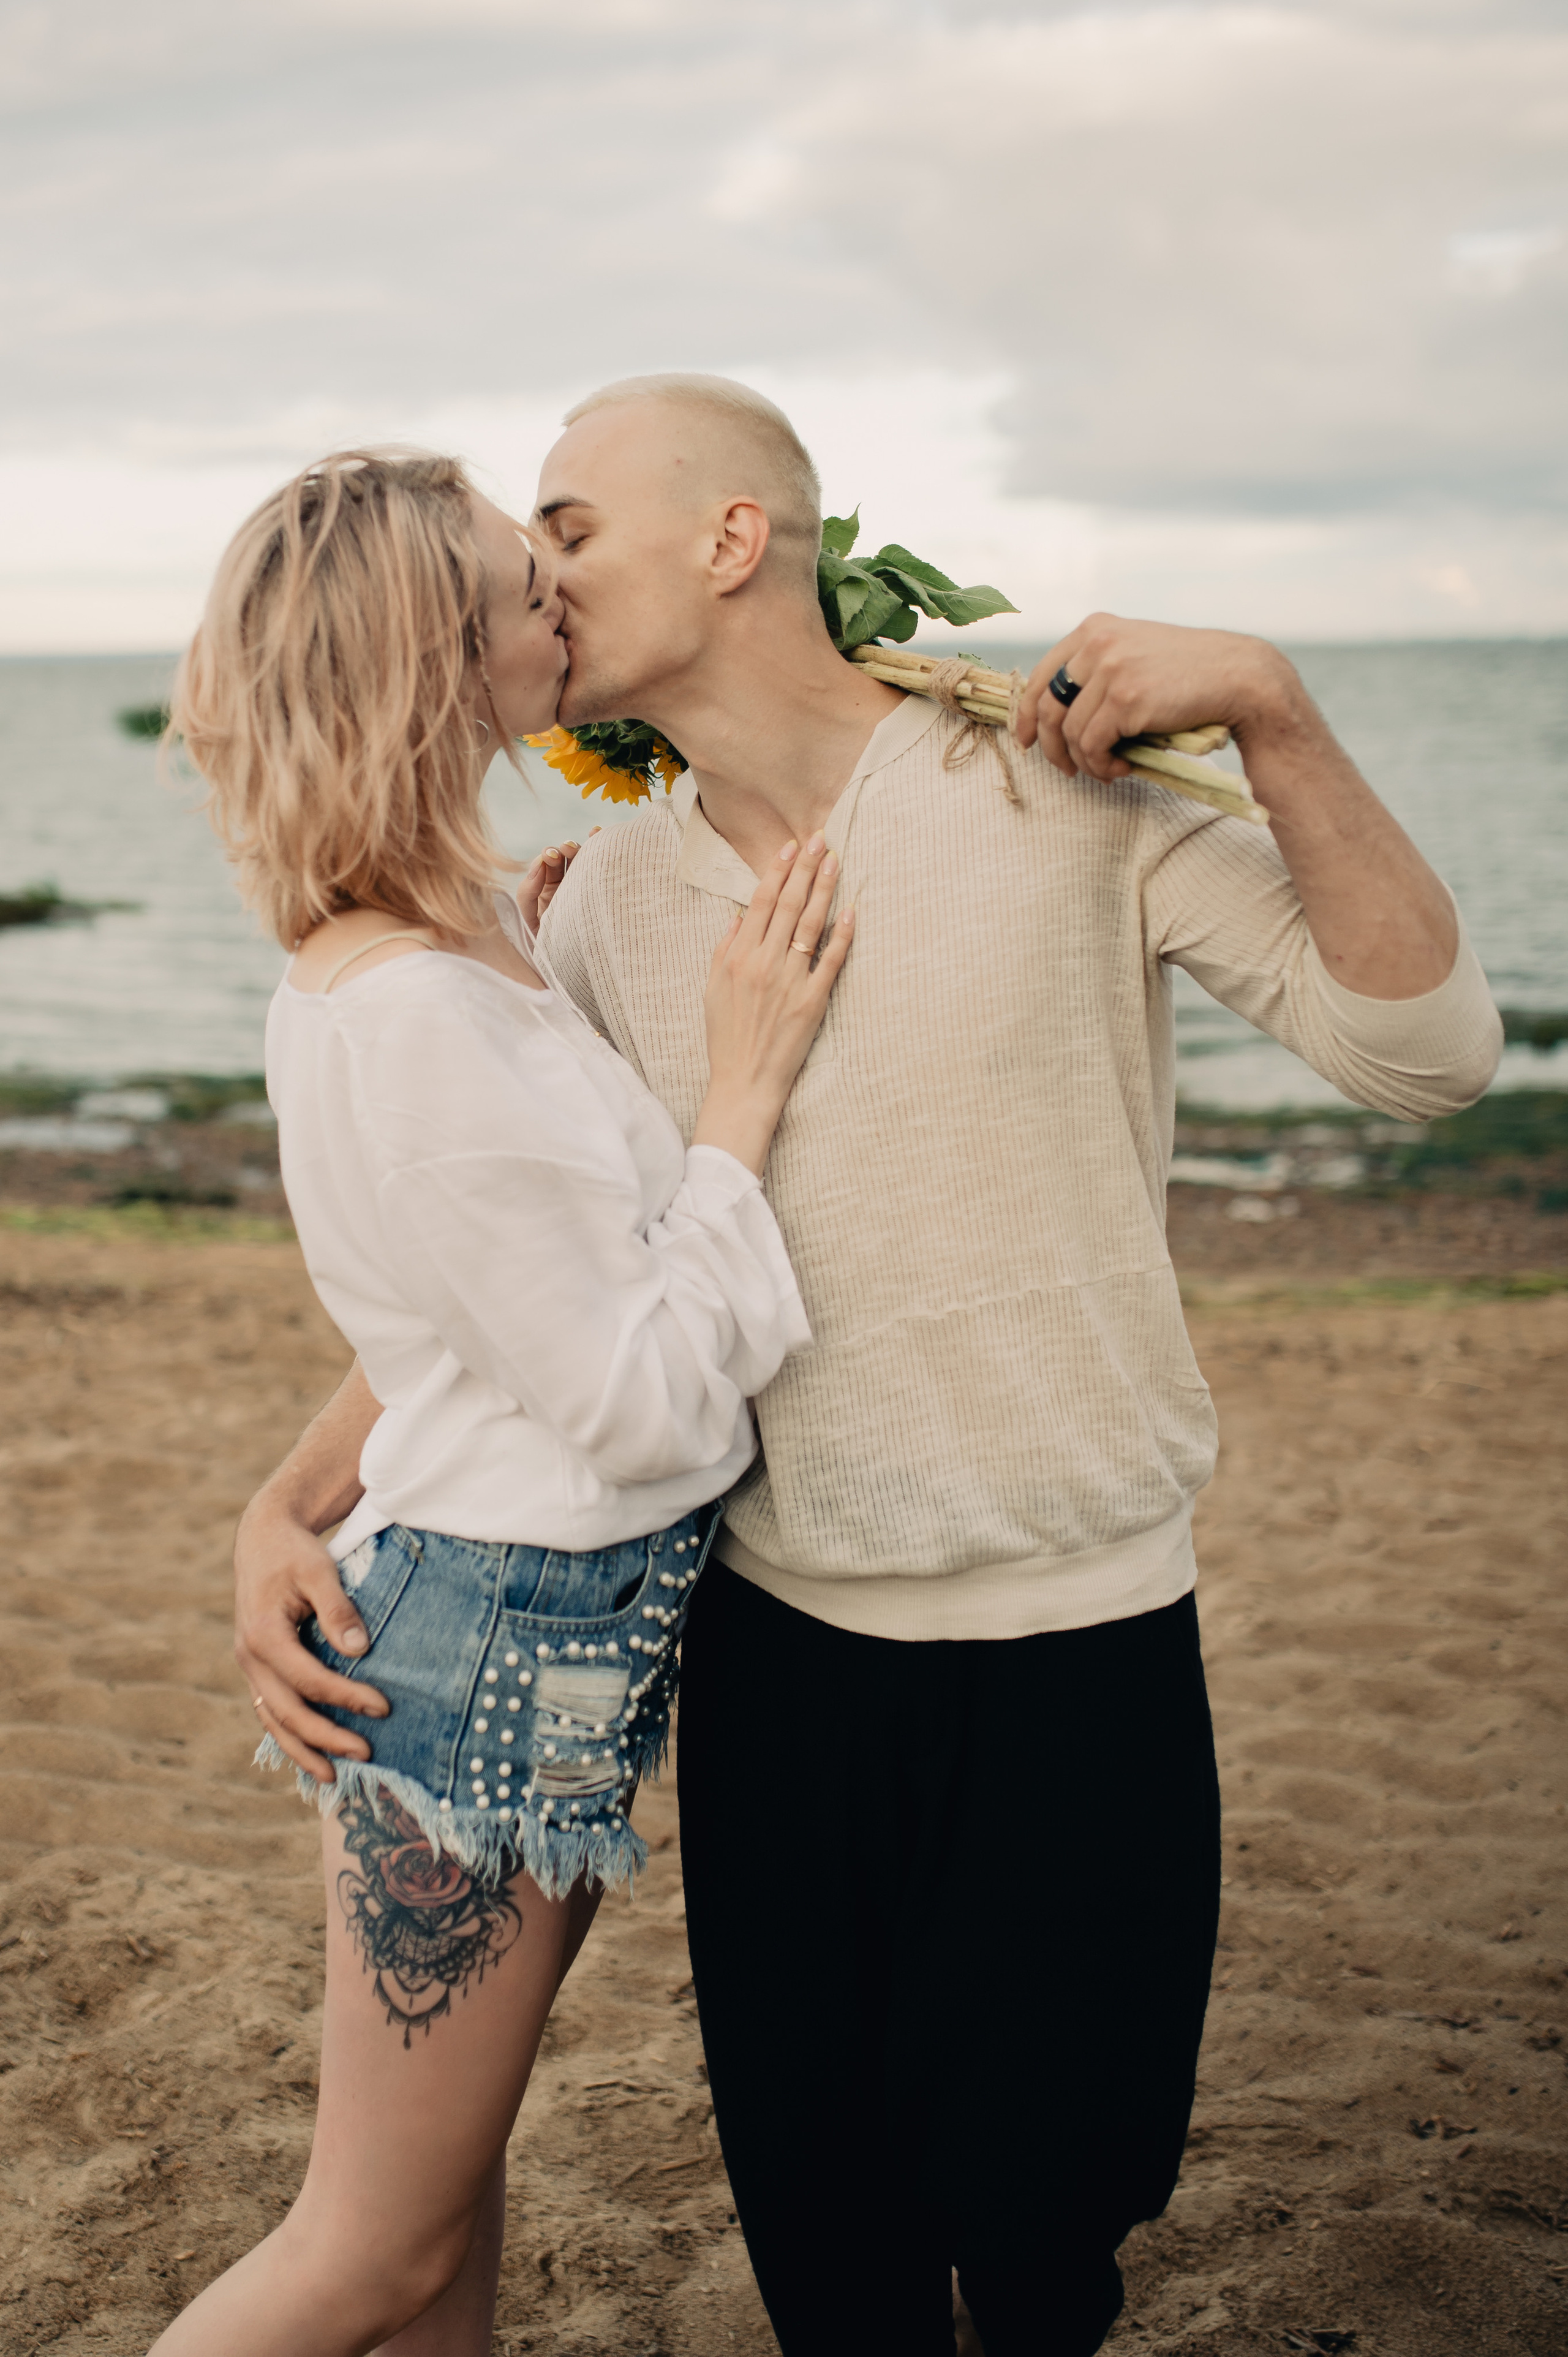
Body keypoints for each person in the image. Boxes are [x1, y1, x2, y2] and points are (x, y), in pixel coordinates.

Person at [235, 379, 1502, 2357]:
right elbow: (530, 1289)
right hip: (765, 1661)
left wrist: (1272, 704)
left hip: (1077, 1652)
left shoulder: (1047, 787)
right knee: (834, 2273)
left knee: (1048, 2256)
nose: (538, 580)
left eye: (567, 528)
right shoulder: (603, 896)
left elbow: (1428, 1058)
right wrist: (292, 1499)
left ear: (735, 540)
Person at [150, 447, 853, 2357]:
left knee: (444, 2219)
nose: (557, 599)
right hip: (494, 1647)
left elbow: (450, 1333)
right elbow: (634, 1402)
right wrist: (738, 1092)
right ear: (429, 659)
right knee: (366, 2249)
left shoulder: (450, 948)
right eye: (515, 584)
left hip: (494, 1625)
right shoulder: (420, 1017)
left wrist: (551, 968)